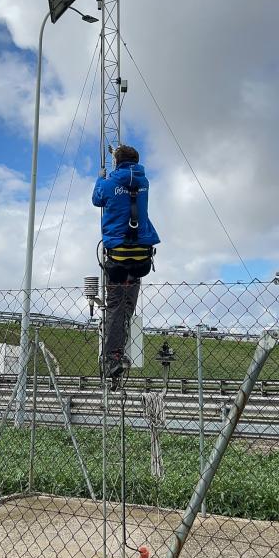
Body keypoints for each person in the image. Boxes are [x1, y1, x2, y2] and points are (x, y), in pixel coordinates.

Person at [92, 145, 160, 387]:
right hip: (141, 256)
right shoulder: (144, 183)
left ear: (117, 162)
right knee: (127, 304)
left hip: (118, 257)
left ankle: (112, 359)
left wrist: (100, 179)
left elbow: (97, 200)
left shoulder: (109, 184)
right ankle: (120, 351)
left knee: (114, 306)